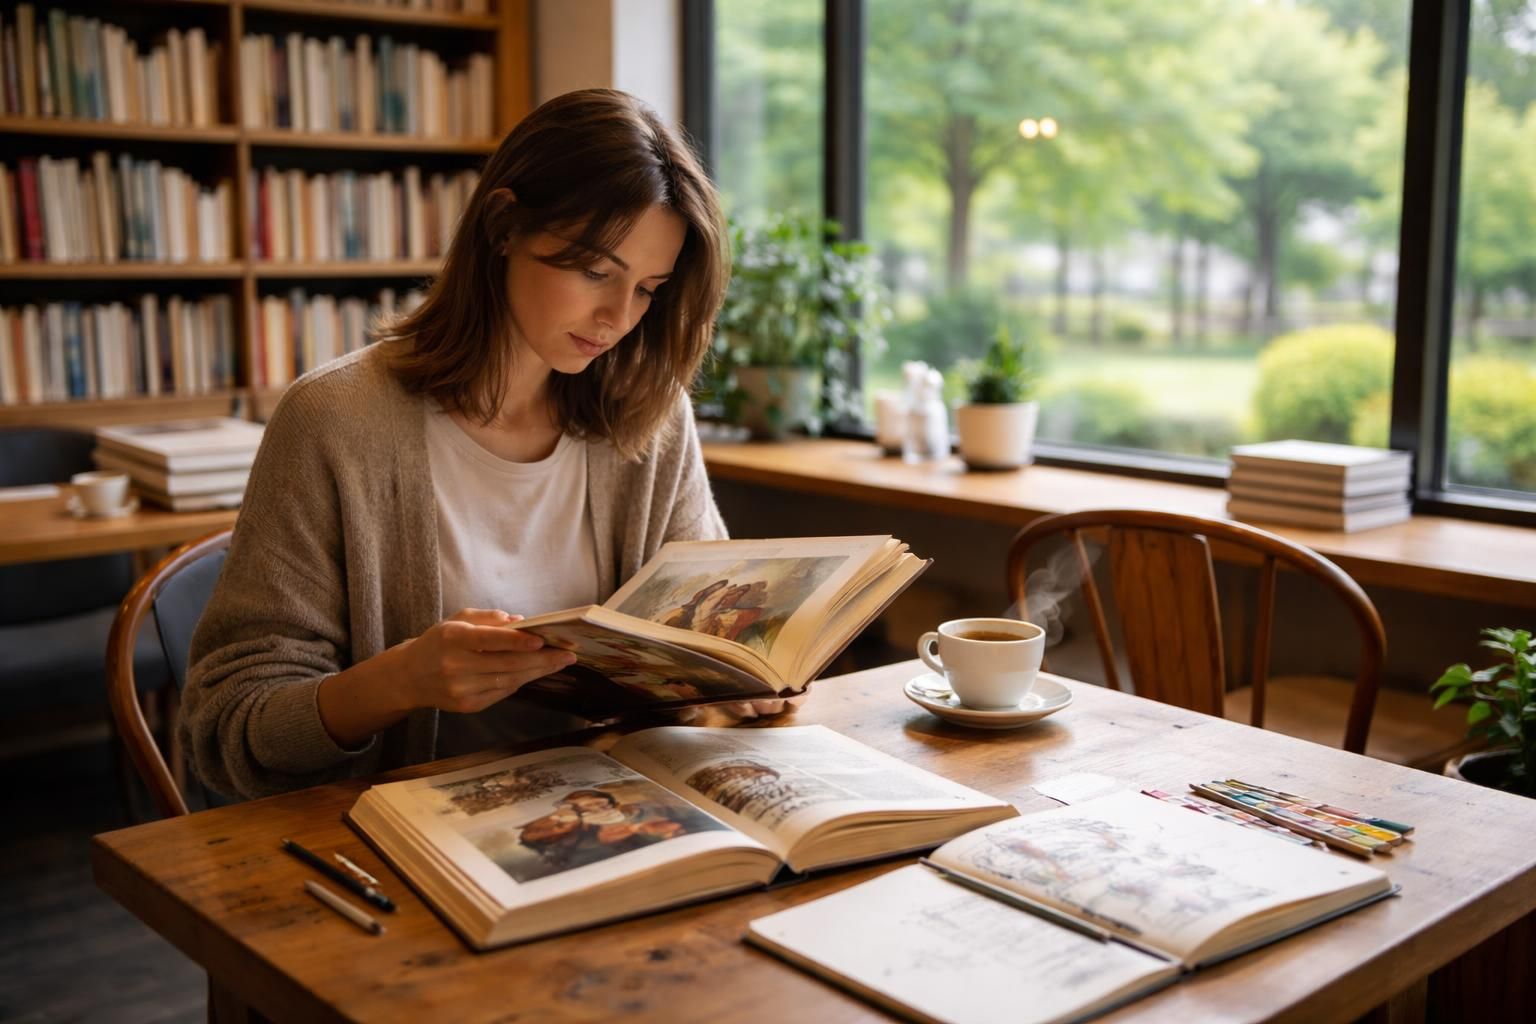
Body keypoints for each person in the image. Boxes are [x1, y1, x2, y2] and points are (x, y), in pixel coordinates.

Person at [180, 89, 796, 801]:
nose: (617, 317)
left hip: (620, 807)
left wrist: (740, 676)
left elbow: (704, 647)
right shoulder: (334, 420)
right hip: (400, 827)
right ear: (503, 227)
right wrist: (402, 680)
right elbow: (230, 727)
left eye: (647, 289)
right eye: (595, 272)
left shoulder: (646, 415)